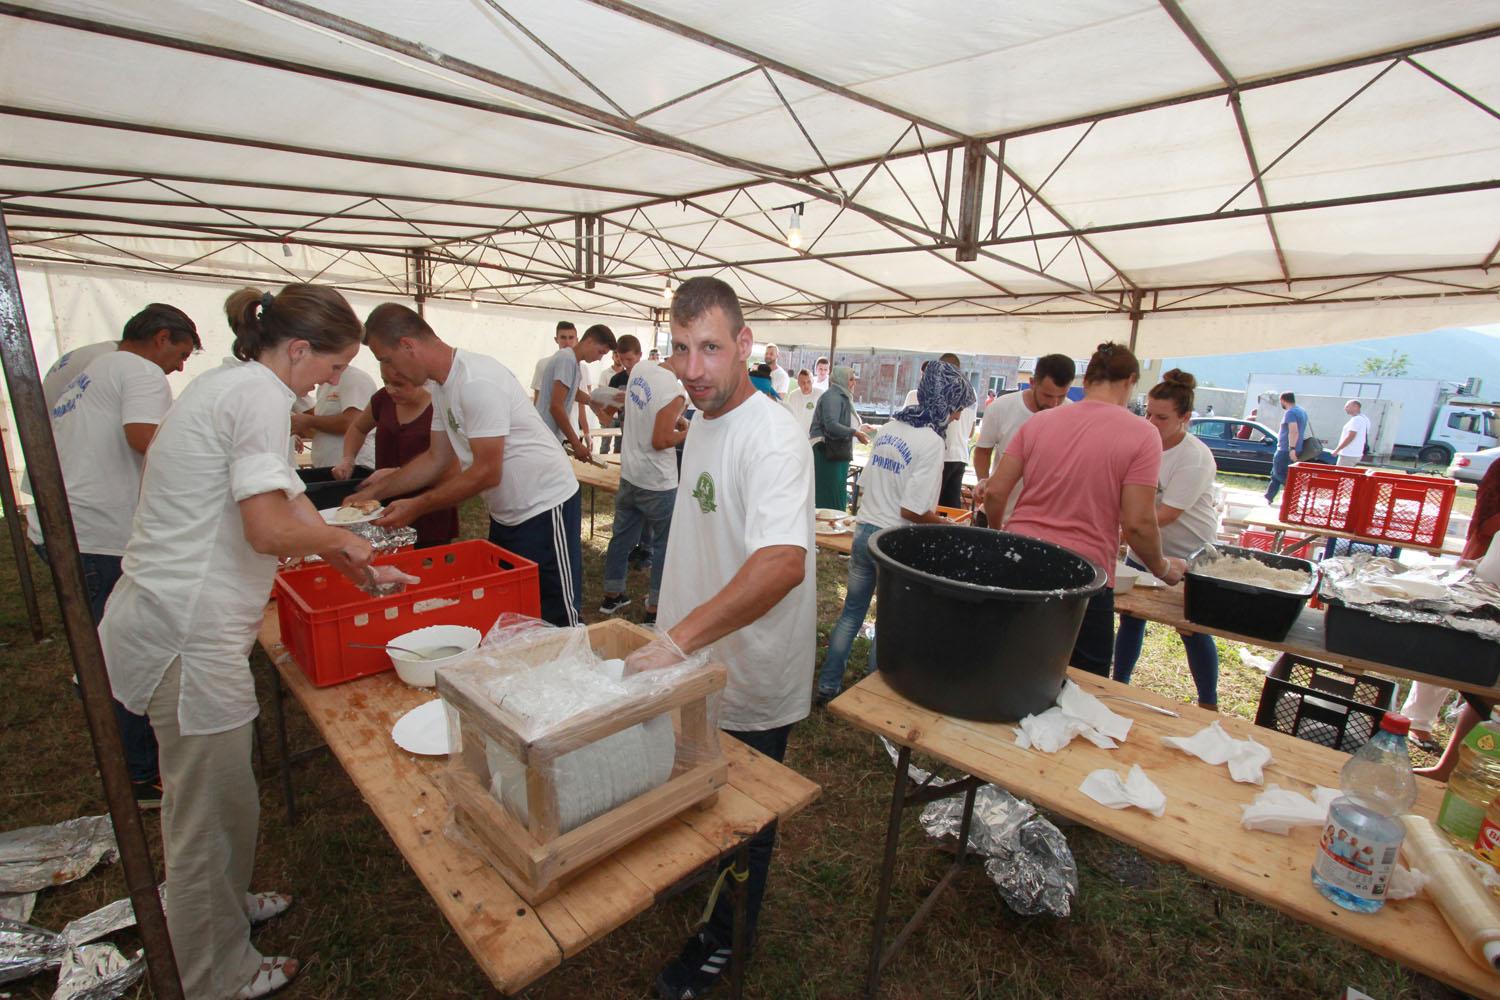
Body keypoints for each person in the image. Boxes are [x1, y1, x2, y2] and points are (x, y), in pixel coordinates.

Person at [100, 283, 383, 1000]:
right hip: (187, 632)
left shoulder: (232, 385)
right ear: (296, 349)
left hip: (178, 620)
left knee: (228, 799)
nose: (330, 380)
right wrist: (337, 540)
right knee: (203, 815)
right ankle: (211, 970)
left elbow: (285, 501)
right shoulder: (257, 396)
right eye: (330, 365)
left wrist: (341, 550)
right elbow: (268, 530)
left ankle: (222, 910)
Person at [621, 276, 815, 1000]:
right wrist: (677, 638)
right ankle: (701, 884)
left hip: (750, 670)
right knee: (695, 785)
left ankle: (725, 940)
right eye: (679, 348)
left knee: (747, 823)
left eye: (708, 348)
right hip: (696, 657)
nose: (692, 367)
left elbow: (781, 563)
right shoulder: (701, 417)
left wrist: (677, 639)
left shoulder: (773, 437)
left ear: (744, 345)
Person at [26, 302, 201, 806]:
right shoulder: (141, 371)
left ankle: (100, 696)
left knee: (105, 641)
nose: (181, 366)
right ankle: (141, 776)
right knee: (128, 652)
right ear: (162, 338)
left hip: (65, 525)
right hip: (97, 534)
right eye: (182, 353)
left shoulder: (98, 366)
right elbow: (146, 439)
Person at [354, 304, 585, 626]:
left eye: (386, 360)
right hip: (507, 512)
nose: (389, 373)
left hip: (544, 506)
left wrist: (418, 505)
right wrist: (374, 492)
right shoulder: (441, 387)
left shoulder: (476, 381)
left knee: (557, 613)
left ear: (408, 345)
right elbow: (435, 459)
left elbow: (487, 471)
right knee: (514, 608)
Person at [984, 342, 1187, 675]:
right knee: (1083, 681)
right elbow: (1137, 523)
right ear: (1130, 380)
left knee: (1008, 665)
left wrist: (999, 536)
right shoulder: (1143, 434)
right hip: (1084, 574)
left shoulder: (1038, 423)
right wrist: (1163, 569)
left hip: (1020, 558)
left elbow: (995, 492)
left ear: (1086, 379)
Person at [815, 361, 975, 704]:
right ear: (946, 402)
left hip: (865, 530)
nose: (959, 417)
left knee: (852, 613)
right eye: (958, 408)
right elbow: (912, 510)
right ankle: (873, 698)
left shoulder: (890, 427)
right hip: (894, 543)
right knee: (887, 622)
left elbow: (869, 482)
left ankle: (828, 685)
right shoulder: (932, 441)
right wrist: (948, 526)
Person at [1112, 370, 1221, 709]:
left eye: (1162, 417)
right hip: (1145, 547)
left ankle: (1208, 702)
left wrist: (1125, 528)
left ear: (1185, 418)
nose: (1151, 421)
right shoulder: (1143, 445)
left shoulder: (1194, 456)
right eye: (1147, 412)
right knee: (1131, 616)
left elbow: (1167, 514)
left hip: (1190, 552)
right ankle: (1120, 685)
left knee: (1191, 628)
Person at [598, 344, 688, 622]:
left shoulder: (641, 369)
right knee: (664, 545)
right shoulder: (675, 392)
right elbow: (660, 440)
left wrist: (677, 420)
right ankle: (655, 609)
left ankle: (612, 596)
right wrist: (688, 433)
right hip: (658, 482)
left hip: (631, 474)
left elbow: (642, 410)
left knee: (621, 538)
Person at [331, 371, 460, 548]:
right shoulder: (382, 399)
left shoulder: (441, 407)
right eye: (386, 382)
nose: (391, 389)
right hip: (384, 505)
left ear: (419, 379)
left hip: (429, 510)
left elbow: (452, 467)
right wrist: (348, 458)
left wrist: (395, 474)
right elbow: (358, 428)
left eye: (399, 384)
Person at [973, 353, 1076, 521]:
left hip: (1044, 521)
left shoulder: (1072, 415)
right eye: (1048, 396)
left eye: (1062, 396)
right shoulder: (1001, 408)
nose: (1054, 404)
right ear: (1032, 383)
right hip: (997, 514)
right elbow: (983, 452)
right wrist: (985, 483)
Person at [537, 323, 617, 464]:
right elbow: (556, 406)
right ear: (589, 341)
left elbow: (572, 391)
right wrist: (576, 443)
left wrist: (592, 402)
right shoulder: (567, 359)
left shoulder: (573, 362)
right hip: (547, 436)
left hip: (550, 436)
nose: (599, 359)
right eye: (600, 352)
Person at [290, 363, 376, 470]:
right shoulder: (325, 384)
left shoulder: (356, 379)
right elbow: (319, 422)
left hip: (353, 466)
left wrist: (309, 421)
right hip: (329, 466)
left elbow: (353, 422)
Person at [809, 365, 868, 510]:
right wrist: (855, 432)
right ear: (841, 379)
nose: (854, 382)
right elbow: (831, 425)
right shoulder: (833, 396)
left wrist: (859, 429)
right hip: (828, 453)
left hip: (836, 453)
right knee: (830, 499)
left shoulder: (842, 396)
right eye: (851, 379)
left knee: (834, 496)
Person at [932, 352, 976, 509]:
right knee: (950, 505)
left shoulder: (942, 388)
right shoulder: (971, 391)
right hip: (960, 455)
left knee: (932, 502)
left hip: (943, 454)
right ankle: (946, 532)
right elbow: (971, 432)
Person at [1264, 391, 1307, 504]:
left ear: (1283, 400)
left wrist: (1291, 448)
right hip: (1293, 448)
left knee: (1280, 474)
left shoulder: (1290, 413)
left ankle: (1292, 496)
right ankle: (1269, 497)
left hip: (1286, 449)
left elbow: (1294, 431)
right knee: (1275, 473)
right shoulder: (1301, 411)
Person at [530, 320, 577, 404]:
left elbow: (580, 403)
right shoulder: (543, 364)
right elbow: (538, 395)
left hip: (572, 416)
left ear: (576, 340)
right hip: (548, 415)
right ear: (556, 339)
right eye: (563, 337)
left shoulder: (580, 367)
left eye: (571, 337)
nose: (567, 342)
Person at [782, 368, 823, 437]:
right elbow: (790, 416)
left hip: (815, 436)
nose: (806, 385)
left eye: (808, 382)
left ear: (812, 381)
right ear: (798, 383)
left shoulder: (820, 393)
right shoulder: (793, 395)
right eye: (803, 382)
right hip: (798, 435)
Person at [1332, 399, 1369, 468]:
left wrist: (1337, 450)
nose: (1345, 408)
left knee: (1340, 474)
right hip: (1355, 454)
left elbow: (1350, 437)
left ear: (1355, 406)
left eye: (1347, 406)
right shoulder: (1364, 419)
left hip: (1349, 454)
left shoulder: (1356, 419)